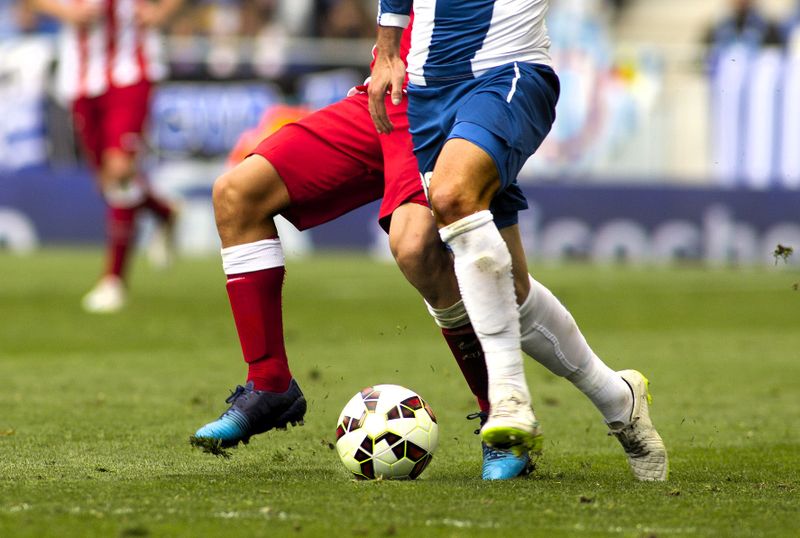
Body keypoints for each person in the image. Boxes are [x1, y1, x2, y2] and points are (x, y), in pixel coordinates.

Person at [191, 22, 533, 481]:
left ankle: (501, 418)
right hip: (381, 99)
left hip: (444, 104)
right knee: (237, 193)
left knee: (416, 249)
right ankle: (269, 383)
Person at [369, 0, 667, 480]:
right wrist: (387, 52)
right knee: (513, 291)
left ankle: (508, 398)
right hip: (427, 91)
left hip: (508, 71)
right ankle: (617, 397)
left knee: (451, 196)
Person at [26, 0, 183, 313]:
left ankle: (113, 280)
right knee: (106, 180)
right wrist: (65, 12)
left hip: (131, 72)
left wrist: (161, 12)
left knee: (120, 169)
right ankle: (164, 212)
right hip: (80, 79)